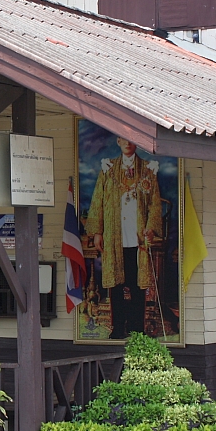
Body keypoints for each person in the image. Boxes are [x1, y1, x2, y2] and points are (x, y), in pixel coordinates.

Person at [86, 137, 162, 339]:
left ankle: (137, 329)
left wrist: (150, 228)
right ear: (118, 141)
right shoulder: (108, 169)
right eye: (124, 140)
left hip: (137, 239)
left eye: (132, 140)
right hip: (114, 238)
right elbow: (97, 201)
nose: (128, 143)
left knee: (137, 286)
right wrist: (98, 232)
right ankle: (118, 328)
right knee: (116, 286)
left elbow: (155, 203)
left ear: (137, 143)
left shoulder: (147, 170)